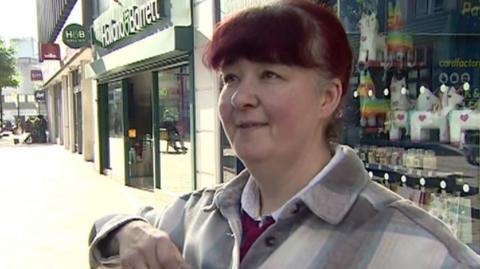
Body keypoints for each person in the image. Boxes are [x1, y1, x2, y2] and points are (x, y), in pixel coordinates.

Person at [88, 1, 480, 268]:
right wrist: (127, 231)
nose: (241, 97)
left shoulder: (415, 247)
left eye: (270, 75)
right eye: (231, 77)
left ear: (328, 96)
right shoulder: (194, 217)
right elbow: (104, 230)